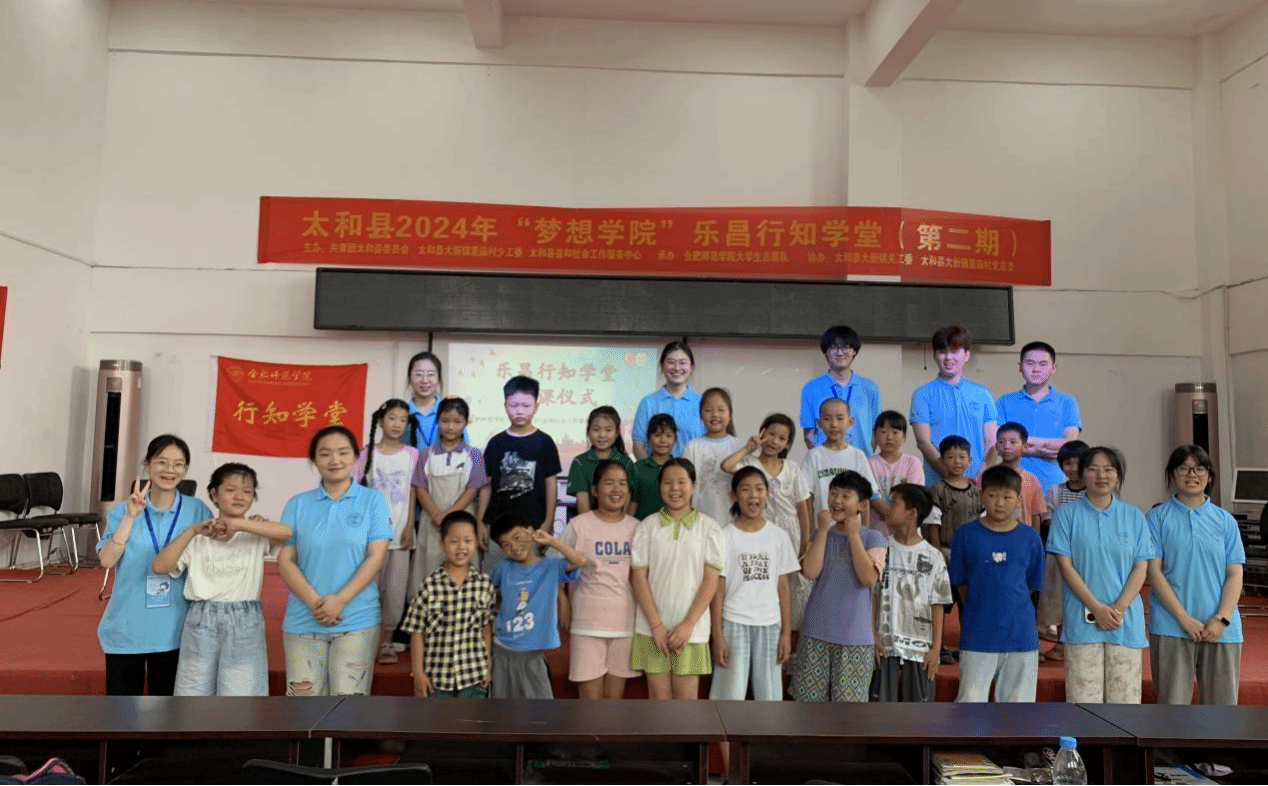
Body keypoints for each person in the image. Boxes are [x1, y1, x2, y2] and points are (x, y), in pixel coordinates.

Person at [152, 463, 291, 696]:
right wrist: (192, 532)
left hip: (244, 623)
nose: (239, 496)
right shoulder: (198, 535)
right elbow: (159, 566)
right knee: (192, 692)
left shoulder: (256, 532)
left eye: (247, 491)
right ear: (214, 494)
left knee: (241, 695)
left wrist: (241, 524)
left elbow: (288, 533)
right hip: (201, 619)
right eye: (231, 489)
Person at [277, 426, 391, 697]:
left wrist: (339, 601)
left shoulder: (373, 501)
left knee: (348, 708)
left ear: (355, 457)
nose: (335, 460)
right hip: (303, 621)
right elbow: (286, 560)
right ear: (314, 460)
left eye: (343, 452)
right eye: (325, 453)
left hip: (356, 620)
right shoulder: (297, 504)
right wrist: (315, 603)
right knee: (303, 710)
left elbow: (376, 557)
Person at [97, 435, 214, 696]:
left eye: (178, 464)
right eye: (162, 462)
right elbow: (107, 560)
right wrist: (130, 517)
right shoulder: (124, 510)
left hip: (176, 631)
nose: (170, 470)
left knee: (168, 713)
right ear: (147, 464)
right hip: (127, 628)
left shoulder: (197, 511)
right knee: (122, 713)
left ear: (185, 469)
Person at [710, 467, 798, 781]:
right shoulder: (724, 535)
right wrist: (717, 634)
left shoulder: (778, 536)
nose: (753, 495)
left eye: (759, 489)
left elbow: (784, 586)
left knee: (770, 704)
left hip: (770, 626)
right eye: (745, 489)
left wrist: (786, 632)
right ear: (734, 495)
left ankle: (763, 774)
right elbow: (717, 588)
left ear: (768, 494)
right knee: (727, 705)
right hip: (733, 623)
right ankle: (733, 776)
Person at [1047, 446, 1154, 704]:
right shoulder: (1065, 515)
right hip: (1081, 621)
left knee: (1125, 704)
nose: (1101, 475)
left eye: (1108, 469)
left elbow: (1141, 567)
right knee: (1083, 703)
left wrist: (1117, 609)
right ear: (1082, 474)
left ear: (1118, 475)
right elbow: (1066, 567)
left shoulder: (1134, 516)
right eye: (1093, 469)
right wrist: (1097, 609)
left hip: (1124, 621)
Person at [1147, 444, 1245, 706]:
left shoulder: (1225, 521)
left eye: (1200, 468)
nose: (1192, 474)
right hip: (1171, 626)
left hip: (1222, 630)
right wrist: (1183, 618)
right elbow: (1153, 572)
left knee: (1222, 713)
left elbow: (1235, 573)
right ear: (1172, 475)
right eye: (1184, 468)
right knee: (1172, 710)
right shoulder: (1156, 518)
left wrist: (1222, 619)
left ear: (1209, 476)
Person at [630, 458, 724, 700]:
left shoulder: (710, 528)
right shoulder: (647, 526)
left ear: (693, 486)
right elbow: (638, 578)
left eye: (682, 482)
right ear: (659, 486)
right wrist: (656, 625)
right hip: (652, 629)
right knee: (659, 702)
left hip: (692, 631)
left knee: (686, 705)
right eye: (667, 482)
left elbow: (711, 581)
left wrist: (688, 624)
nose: (674, 489)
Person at [950, 465, 1044, 703]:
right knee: (971, 701)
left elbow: (1033, 583)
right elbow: (960, 582)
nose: (999, 503)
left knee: (1018, 705)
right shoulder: (966, 534)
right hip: (978, 633)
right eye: (992, 495)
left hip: (1021, 634)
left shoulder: (1030, 537)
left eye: (1007, 497)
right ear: (981, 495)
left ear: (1019, 500)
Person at [791, 471, 886, 703]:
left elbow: (868, 578)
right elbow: (810, 572)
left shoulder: (873, 538)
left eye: (846, 496)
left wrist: (854, 534)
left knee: (848, 712)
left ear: (862, 505)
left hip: (855, 638)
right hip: (815, 633)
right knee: (808, 708)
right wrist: (823, 530)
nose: (837, 500)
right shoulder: (819, 534)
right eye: (833, 493)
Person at [554, 460, 640, 700]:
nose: (616, 489)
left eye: (622, 483)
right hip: (587, 623)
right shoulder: (579, 525)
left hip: (625, 624)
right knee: (590, 705)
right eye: (609, 483)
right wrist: (563, 600)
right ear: (594, 490)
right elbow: (551, 565)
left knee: (613, 703)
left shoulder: (637, 528)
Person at [488, 513, 586, 699]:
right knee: (503, 709)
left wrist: (551, 541)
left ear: (530, 532)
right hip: (502, 649)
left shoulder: (550, 566)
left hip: (533, 655)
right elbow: (488, 594)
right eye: (505, 544)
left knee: (541, 708)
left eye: (517, 537)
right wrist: (492, 617)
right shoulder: (502, 567)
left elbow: (580, 561)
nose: (514, 547)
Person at [353, 398, 421, 664]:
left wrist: (409, 526)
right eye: (392, 418)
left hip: (401, 532)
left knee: (396, 589)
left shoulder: (412, 454)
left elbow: (413, 492)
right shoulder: (367, 453)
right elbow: (357, 490)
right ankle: (366, 638)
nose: (397, 424)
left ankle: (389, 641)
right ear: (381, 420)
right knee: (369, 587)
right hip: (372, 534)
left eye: (403, 420)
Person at [401, 511, 496, 699]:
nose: (461, 547)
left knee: (471, 719)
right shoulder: (429, 585)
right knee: (439, 718)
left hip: (473, 675)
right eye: (454, 541)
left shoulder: (484, 584)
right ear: (442, 544)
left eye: (468, 541)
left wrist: (487, 667)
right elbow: (417, 632)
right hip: (437, 678)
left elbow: (486, 629)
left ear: (476, 542)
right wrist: (418, 673)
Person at [871, 483, 951, 703]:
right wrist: (872, 636)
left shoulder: (933, 557)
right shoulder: (881, 549)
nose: (887, 507)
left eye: (894, 503)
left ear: (911, 514)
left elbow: (937, 604)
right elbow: (873, 596)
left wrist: (936, 648)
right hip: (884, 647)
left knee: (918, 716)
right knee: (880, 714)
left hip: (920, 652)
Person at [410, 397, 489, 602]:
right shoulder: (425, 454)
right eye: (445, 421)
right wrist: (436, 515)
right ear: (438, 421)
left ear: (465, 423)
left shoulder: (474, 455)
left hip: (463, 522)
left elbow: (473, 489)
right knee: (429, 573)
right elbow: (420, 488)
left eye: (457, 421)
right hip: (432, 522)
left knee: (462, 572)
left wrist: (448, 515)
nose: (451, 427)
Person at [480, 376, 562, 571]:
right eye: (513, 405)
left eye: (526, 406)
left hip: (533, 528)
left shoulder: (545, 442)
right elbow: (486, 486)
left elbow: (551, 484)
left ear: (536, 407)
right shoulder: (495, 443)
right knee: (496, 579)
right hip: (497, 528)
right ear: (505, 406)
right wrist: (481, 522)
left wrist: (548, 522)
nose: (519, 411)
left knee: (531, 580)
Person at [910, 325, 998, 486]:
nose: (948, 357)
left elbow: (992, 441)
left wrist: (983, 473)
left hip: (977, 484)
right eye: (942, 351)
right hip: (937, 485)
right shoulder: (922, 394)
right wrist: (952, 477)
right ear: (935, 355)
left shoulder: (982, 393)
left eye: (955, 351)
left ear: (967, 355)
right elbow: (923, 442)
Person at [995, 341, 1083, 494]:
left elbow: (1069, 444)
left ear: (1053, 368)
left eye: (1043, 364)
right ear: (1020, 367)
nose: (1036, 369)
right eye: (1030, 363)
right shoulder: (1005, 401)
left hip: (1054, 486)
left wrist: (1019, 445)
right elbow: (999, 443)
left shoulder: (1067, 402)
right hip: (1012, 484)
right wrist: (1044, 448)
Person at [721, 413, 812, 560]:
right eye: (771, 434)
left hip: (790, 532)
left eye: (782, 438)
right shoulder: (750, 464)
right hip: (761, 529)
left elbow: (803, 510)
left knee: (788, 572)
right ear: (761, 433)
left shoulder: (792, 468)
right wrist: (748, 448)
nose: (774, 441)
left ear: (787, 444)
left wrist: (805, 545)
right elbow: (726, 466)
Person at [1037, 439, 1089, 661]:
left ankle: (1082, 644)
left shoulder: (1093, 492)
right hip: (1060, 555)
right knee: (1058, 599)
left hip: (1087, 557)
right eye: (1068, 463)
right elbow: (1047, 518)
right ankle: (1060, 643)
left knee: (1083, 599)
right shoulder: (1055, 491)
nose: (1073, 468)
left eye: (1078, 463)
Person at [799, 325, 882, 454]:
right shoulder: (811, 388)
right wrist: (823, 457)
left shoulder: (870, 388)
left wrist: (864, 457)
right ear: (825, 352)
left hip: (862, 460)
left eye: (845, 347)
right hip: (825, 460)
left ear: (854, 351)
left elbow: (876, 430)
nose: (839, 352)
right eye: (833, 347)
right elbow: (809, 434)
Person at [801, 398, 881, 523]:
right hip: (823, 529)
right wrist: (810, 531)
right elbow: (806, 497)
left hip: (852, 530)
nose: (834, 424)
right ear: (819, 422)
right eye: (827, 419)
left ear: (850, 421)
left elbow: (866, 496)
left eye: (840, 418)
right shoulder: (813, 456)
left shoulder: (858, 456)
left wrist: (864, 529)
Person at [681, 387, 744, 527]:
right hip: (699, 522)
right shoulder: (692, 447)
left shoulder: (741, 447)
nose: (715, 415)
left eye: (721, 410)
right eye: (708, 410)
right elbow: (684, 485)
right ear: (700, 415)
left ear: (730, 414)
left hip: (734, 523)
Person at [632, 341, 705, 459]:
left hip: (694, 470)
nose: (677, 368)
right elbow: (638, 445)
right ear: (662, 366)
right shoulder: (648, 403)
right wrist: (652, 469)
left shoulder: (702, 402)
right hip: (656, 470)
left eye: (683, 363)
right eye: (671, 362)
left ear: (691, 367)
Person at [976, 422, 1047, 530]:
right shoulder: (986, 476)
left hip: (1022, 537)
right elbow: (979, 509)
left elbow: (1035, 515)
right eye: (1001, 442)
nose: (1006, 447)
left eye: (1013, 442)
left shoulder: (1031, 480)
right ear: (996, 447)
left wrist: (1035, 538)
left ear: (1024, 446)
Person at [567, 406, 636, 514]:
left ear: (617, 432)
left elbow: (627, 498)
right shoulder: (580, 462)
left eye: (608, 430)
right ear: (588, 431)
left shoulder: (626, 463)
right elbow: (582, 501)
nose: (602, 435)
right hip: (587, 523)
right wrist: (590, 524)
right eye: (596, 430)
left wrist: (621, 522)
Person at [867, 410, 927, 531]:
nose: (889, 437)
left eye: (895, 432)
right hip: (877, 533)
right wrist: (890, 515)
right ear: (875, 434)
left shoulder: (912, 463)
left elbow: (913, 496)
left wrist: (894, 517)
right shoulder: (868, 463)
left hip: (907, 532)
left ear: (904, 436)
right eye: (883, 432)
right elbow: (871, 495)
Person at [931, 435, 980, 556]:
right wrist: (938, 554)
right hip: (947, 550)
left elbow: (983, 522)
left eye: (962, 457)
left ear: (969, 460)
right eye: (951, 457)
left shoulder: (976, 492)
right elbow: (933, 525)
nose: (957, 462)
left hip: (974, 549)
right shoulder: (938, 490)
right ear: (941, 460)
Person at [403, 351, 459, 450]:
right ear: (410, 378)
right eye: (418, 374)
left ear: (439, 379)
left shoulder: (451, 411)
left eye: (431, 374)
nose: (425, 380)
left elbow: (465, 450)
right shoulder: (402, 413)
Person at [630, 413, 675, 520]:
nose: (663, 440)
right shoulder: (638, 468)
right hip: (643, 527)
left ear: (675, 439)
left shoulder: (679, 468)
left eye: (668, 436)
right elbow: (632, 503)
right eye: (657, 435)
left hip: (673, 527)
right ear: (648, 438)